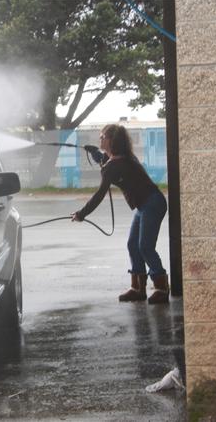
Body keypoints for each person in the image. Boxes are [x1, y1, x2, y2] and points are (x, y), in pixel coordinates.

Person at [71, 124, 169, 304]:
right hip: (145, 205)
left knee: (145, 246)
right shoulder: (123, 158)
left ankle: (161, 287)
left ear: (111, 141)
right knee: (133, 244)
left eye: (102, 137)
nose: (100, 139)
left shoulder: (115, 164)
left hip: (152, 204)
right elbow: (109, 162)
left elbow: (100, 194)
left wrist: (82, 214)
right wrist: (97, 154)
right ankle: (138, 288)